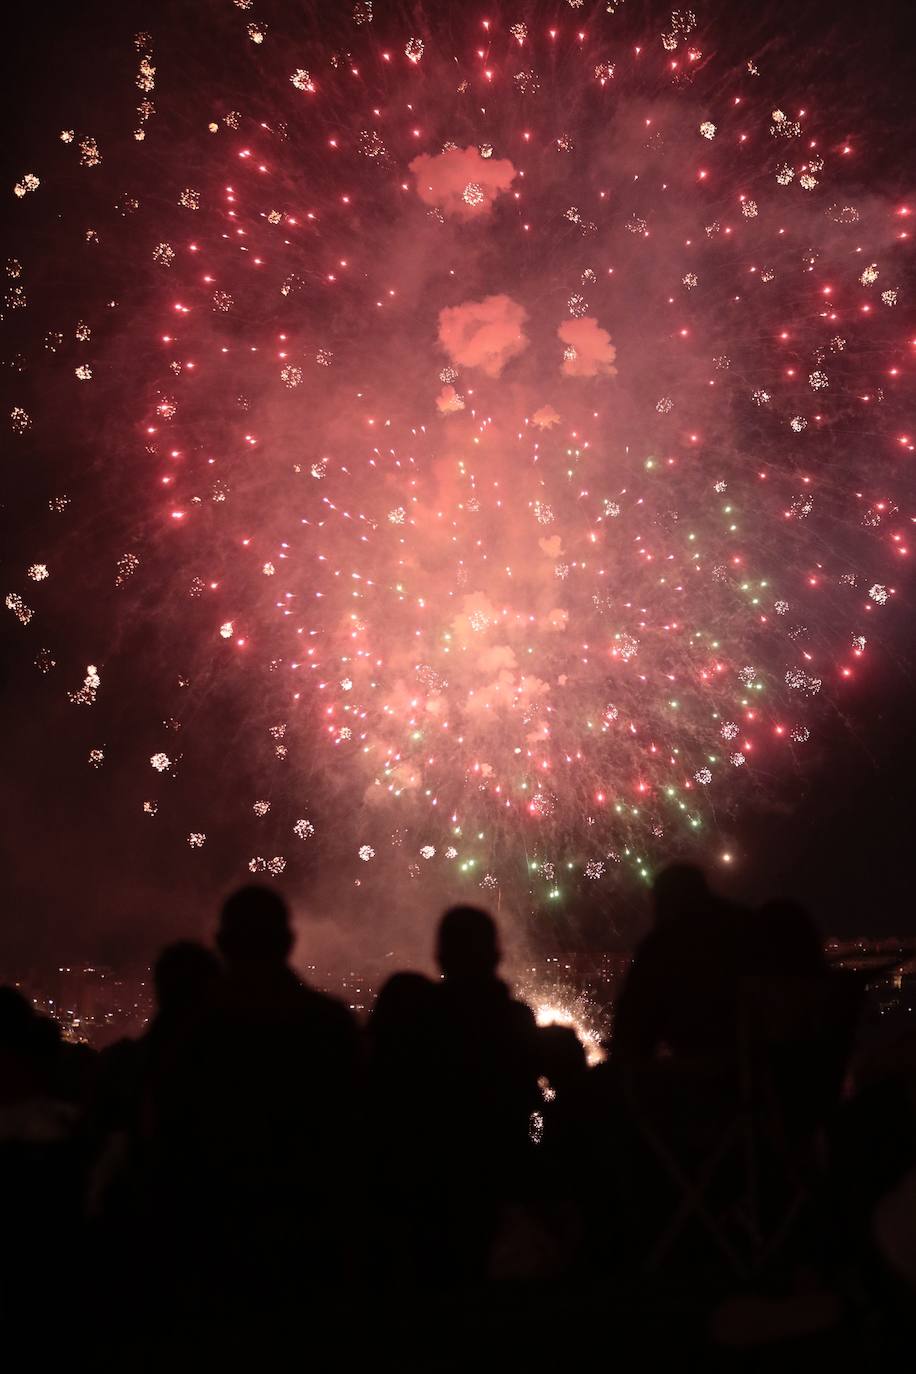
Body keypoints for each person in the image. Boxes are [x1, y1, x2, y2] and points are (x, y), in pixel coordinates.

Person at [146, 887, 360, 1309]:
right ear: (289, 943)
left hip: (212, 1243)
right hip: (313, 1240)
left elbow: (165, 1137)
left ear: (223, 944)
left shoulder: (190, 1032)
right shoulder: (330, 1024)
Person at [421, 905, 544, 1281]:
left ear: (439, 956)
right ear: (496, 955)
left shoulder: (419, 1021)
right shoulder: (517, 1020)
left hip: (429, 1172)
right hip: (507, 1166)